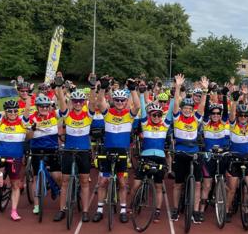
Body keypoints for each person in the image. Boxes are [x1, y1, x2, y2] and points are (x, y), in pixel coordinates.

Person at [93, 77, 140, 224]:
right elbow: (100, 102)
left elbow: (137, 106)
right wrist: (103, 88)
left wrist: (133, 90)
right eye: (117, 100)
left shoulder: (129, 114)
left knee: (122, 182)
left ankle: (123, 210)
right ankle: (100, 209)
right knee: (103, 182)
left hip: (122, 152)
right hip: (107, 151)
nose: (120, 102)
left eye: (122, 100)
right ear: (114, 101)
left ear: (126, 102)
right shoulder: (108, 113)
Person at [0, 81, 30, 221]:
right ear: (6, 112)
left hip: (15, 159)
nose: (12, 113)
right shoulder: (2, 121)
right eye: (9, 111)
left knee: (15, 185)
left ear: (18, 111)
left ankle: (14, 211)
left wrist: (27, 94)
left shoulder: (22, 122)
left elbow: (28, 107)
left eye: (15, 111)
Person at [55, 76, 96, 222]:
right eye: (75, 101)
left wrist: (92, 88)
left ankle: (85, 211)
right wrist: (59, 87)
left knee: (84, 181)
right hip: (68, 150)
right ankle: (62, 209)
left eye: (80, 101)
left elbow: (93, 102)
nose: (78, 103)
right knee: (65, 181)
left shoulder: (88, 114)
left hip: (84, 151)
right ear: (72, 102)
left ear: (83, 103)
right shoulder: (67, 114)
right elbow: (61, 101)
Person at [170, 74, 208, 224]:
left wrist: (205, 91)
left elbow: (203, 106)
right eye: (184, 108)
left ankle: (196, 210)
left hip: (194, 153)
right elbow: (175, 105)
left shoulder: (196, 118)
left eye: (189, 108)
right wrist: (178, 87)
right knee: (178, 183)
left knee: (198, 183)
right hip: (180, 153)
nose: (186, 110)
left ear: (192, 109)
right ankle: (175, 208)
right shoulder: (177, 117)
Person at [225, 87, 248, 223]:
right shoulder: (233, 124)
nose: (243, 118)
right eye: (242, 115)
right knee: (232, 189)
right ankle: (228, 210)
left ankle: (246, 210)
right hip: (235, 158)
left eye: (246, 116)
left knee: (246, 189)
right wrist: (234, 101)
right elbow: (232, 115)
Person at [133, 101, 171, 223]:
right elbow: (143, 109)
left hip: (160, 157)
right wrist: (143, 94)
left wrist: (176, 91)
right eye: (153, 115)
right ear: (149, 115)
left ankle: (158, 211)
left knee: (158, 186)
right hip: (145, 157)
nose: (156, 117)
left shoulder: (164, 126)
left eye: (159, 115)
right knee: (135, 185)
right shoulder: (145, 124)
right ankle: (132, 203)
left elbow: (170, 112)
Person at [28, 94, 63, 219]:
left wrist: (60, 91)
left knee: (57, 176)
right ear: (37, 107)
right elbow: (28, 137)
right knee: (36, 177)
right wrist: (32, 129)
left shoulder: (54, 114)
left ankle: (62, 198)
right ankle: (37, 205)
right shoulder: (32, 118)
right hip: (37, 150)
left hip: (52, 149)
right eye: (41, 106)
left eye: (46, 106)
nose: (44, 108)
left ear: (49, 106)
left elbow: (64, 109)